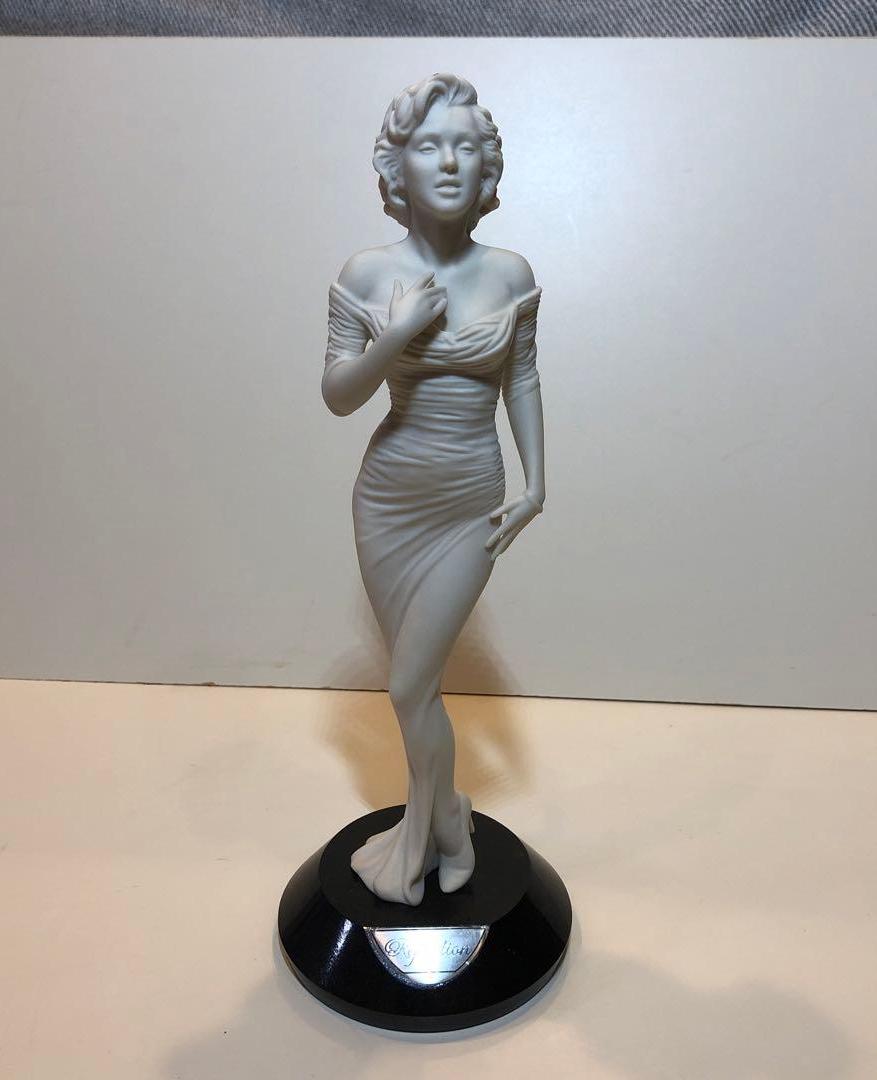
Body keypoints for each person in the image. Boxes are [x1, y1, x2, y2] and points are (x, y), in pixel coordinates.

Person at [322, 73, 546, 906]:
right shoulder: (367, 273)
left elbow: (522, 379)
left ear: (486, 166)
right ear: (398, 167)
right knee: (416, 690)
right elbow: (339, 394)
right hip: (388, 502)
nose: (448, 162)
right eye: (428, 146)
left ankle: (436, 830)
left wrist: (537, 484)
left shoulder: (509, 274)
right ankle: (446, 820)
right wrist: (400, 335)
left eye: (465, 146)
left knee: (409, 686)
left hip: (468, 503)